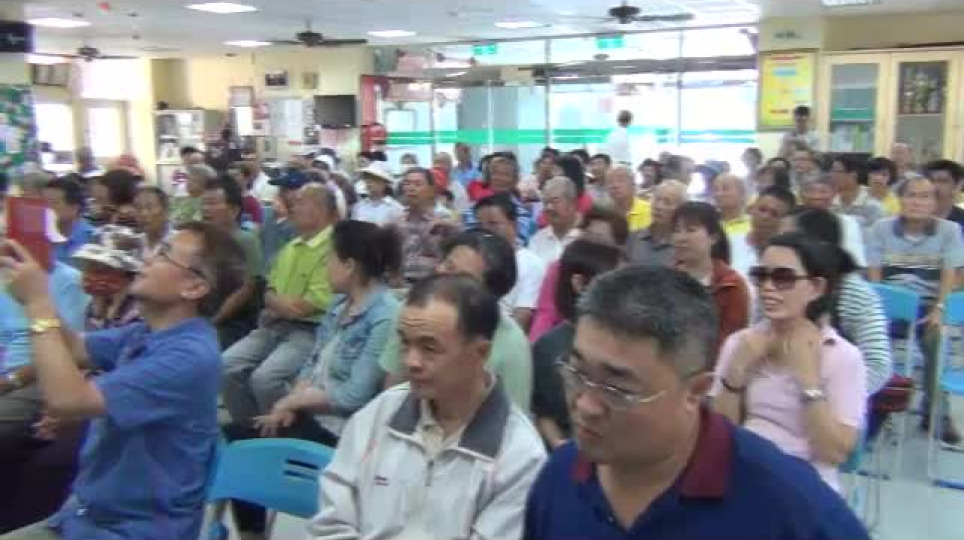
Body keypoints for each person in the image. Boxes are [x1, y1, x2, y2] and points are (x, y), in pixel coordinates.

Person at [523, 266, 870, 540]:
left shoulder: (787, 504)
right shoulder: (562, 476)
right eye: (577, 372)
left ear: (695, 391)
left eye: (616, 388)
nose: (586, 405)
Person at [0, 221, 245, 540]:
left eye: (163, 254)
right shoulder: (149, 331)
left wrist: (37, 303)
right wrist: (36, 291)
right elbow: (75, 348)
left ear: (194, 287)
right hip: (85, 517)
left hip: (132, 530)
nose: (146, 258)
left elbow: (68, 401)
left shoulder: (189, 356)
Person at [311, 274, 545, 539]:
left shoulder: (519, 455)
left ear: (481, 353)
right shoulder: (379, 415)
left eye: (429, 348)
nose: (411, 361)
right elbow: (329, 523)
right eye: (405, 343)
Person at [225, 220, 401, 538]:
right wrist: (291, 404)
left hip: (344, 433)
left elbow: (354, 396)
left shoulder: (385, 316)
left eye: (329, 259)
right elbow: (312, 364)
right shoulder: (339, 306)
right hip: (313, 416)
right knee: (233, 440)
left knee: (246, 450)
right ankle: (252, 533)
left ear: (349, 266)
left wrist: (293, 402)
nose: (325, 268)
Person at [712, 232, 867, 492]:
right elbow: (719, 437)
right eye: (761, 276)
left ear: (816, 287)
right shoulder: (741, 343)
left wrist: (808, 379)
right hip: (743, 472)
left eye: (783, 278)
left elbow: (833, 453)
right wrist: (736, 370)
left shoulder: (842, 356)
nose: (768, 287)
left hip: (807, 484)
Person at [221, 183, 336, 428]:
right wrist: (277, 303)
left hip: (310, 330)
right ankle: (249, 429)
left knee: (265, 379)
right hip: (273, 324)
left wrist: (276, 304)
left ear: (321, 209)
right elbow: (269, 291)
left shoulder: (333, 248)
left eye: (301, 202)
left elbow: (305, 307)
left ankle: (286, 434)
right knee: (226, 365)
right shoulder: (291, 246)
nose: (293, 207)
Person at [380, 230, 533, 409]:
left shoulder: (512, 343)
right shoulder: (413, 314)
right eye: (446, 264)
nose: (441, 272)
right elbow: (393, 384)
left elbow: (513, 412)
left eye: (459, 275)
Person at [867, 176, 964, 444]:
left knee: (937, 340)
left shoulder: (949, 230)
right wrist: (879, 311)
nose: (917, 202)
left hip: (929, 306)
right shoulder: (880, 229)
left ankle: (936, 412)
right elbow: (874, 276)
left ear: (934, 203)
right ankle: (876, 408)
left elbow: (950, 274)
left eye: (925, 197)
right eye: (911, 195)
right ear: (900, 199)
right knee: (867, 341)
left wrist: (940, 309)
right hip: (889, 305)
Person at [784, 208, 892, 395]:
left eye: (788, 241)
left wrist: (835, 395)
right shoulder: (774, 284)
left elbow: (878, 365)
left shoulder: (854, 293)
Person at [532, 239, 622, 449]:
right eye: (616, 283)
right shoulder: (549, 346)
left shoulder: (628, 339)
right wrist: (560, 446)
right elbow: (543, 412)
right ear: (580, 284)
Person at [529, 206, 629, 343]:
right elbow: (546, 313)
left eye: (600, 239)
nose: (591, 243)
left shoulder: (623, 273)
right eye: (588, 235)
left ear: (618, 245)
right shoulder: (559, 267)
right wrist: (538, 344)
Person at [672, 202, 749, 355]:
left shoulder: (730, 285)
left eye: (691, 230)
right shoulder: (665, 279)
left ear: (713, 237)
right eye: (676, 230)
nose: (680, 238)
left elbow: (731, 345)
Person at [201, 177, 265, 349]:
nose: (205, 209)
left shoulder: (245, 240)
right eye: (204, 203)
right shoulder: (201, 240)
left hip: (233, 321)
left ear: (234, 210)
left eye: (212, 203)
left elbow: (246, 289)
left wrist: (213, 321)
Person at [474, 193, 547, 331]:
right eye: (479, 225)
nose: (485, 231)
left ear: (514, 225)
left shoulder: (530, 263)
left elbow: (522, 317)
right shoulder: (473, 258)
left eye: (493, 224)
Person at [72, 225, 143, 330]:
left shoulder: (139, 312)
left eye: (102, 269)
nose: (91, 274)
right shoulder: (96, 303)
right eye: (90, 265)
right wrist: (99, 310)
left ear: (127, 273)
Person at [398, 167, 456, 284]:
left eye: (418, 184)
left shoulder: (445, 219)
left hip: (434, 283)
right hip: (401, 282)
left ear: (431, 190)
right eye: (407, 184)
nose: (411, 189)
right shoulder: (398, 219)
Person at [799, 175, 867, 268]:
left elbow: (855, 259)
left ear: (834, 194)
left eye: (823, 191)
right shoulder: (790, 222)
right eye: (810, 191)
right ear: (801, 194)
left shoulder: (847, 222)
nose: (816, 196)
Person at [729, 185, 797, 278]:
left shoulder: (790, 255)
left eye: (774, 214)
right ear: (752, 209)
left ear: (785, 221)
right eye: (762, 210)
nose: (765, 217)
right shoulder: (729, 244)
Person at [465, 156, 534, 243]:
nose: (500, 178)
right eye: (495, 173)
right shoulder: (474, 209)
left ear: (514, 180)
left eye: (506, 174)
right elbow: (469, 237)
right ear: (488, 177)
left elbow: (518, 241)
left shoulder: (522, 213)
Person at [626, 180, 688, 267]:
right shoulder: (634, 237)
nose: (658, 206)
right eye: (656, 200)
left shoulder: (683, 245)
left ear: (681, 209)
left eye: (667, 202)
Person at [530, 177, 581, 264]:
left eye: (555, 201)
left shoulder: (588, 238)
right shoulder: (537, 240)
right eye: (545, 202)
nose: (549, 207)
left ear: (573, 203)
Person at [43, 178, 94, 265]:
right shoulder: (38, 236)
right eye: (44, 202)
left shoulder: (93, 239)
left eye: (54, 202)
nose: (47, 208)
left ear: (75, 207)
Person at [831, 154, 884, 230]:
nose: (832, 175)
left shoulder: (872, 206)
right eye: (832, 171)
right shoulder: (830, 203)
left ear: (853, 175)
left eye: (837, 171)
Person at [351, 161, 404, 226]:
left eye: (374, 178)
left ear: (384, 183)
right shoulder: (358, 207)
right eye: (367, 178)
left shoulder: (395, 208)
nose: (369, 182)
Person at [606, 165, 651, 232]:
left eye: (621, 180)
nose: (614, 185)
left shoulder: (649, 211)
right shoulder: (604, 213)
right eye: (610, 182)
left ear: (633, 184)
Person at [924, 159, 964, 230]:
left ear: (957, 186)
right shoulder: (910, 219)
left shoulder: (961, 221)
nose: (934, 186)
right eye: (930, 180)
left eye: (943, 181)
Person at [133, 186, 171, 259]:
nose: (143, 214)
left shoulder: (178, 243)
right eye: (138, 208)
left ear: (165, 211)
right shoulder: (138, 242)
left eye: (149, 207)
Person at [228, 161, 265, 226]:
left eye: (236, 175)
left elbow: (257, 228)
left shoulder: (252, 202)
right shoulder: (222, 199)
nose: (232, 178)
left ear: (246, 178)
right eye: (229, 176)